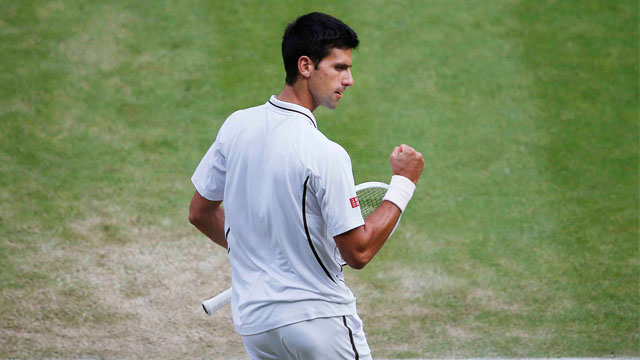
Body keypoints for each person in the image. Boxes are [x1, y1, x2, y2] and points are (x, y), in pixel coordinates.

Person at [189, 12, 424, 360]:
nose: (349, 80)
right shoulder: (325, 153)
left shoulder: (236, 126)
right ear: (305, 66)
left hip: (256, 324)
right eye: (339, 67)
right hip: (319, 322)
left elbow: (200, 213)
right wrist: (403, 183)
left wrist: (262, 253)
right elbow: (358, 253)